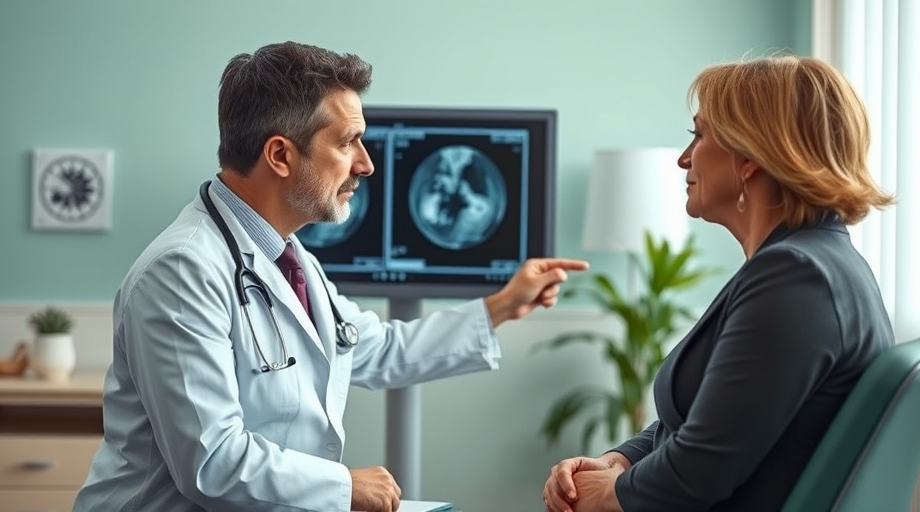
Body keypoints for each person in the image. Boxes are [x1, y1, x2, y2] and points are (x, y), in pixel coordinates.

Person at [72, 41, 588, 512]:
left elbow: (375, 349)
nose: (365, 164)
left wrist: (502, 305)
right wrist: (345, 486)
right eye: (348, 143)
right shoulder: (182, 271)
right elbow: (213, 462)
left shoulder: (288, 257)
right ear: (280, 154)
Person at [542, 54, 895, 512]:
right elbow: (712, 421)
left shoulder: (796, 279)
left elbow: (699, 470)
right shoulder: (809, 263)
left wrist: (607, 494)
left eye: (699, 135)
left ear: (748, 157)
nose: (684, 158)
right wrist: (618, 461)